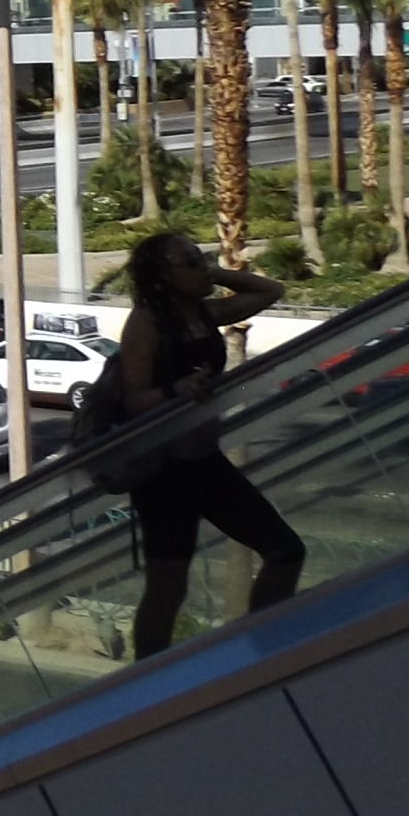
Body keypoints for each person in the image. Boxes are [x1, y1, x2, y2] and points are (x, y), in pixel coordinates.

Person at [118, 233, 305, 660]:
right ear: (162, 277)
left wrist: (209, 273)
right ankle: (147, 680)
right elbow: (133, 398)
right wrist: (176, 390)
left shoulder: (203, 315)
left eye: (199, 257)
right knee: (168, 588)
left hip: (206, 463)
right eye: (189, 262)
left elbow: (270, 291)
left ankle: (261, 651)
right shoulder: (146, 323)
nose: (201, 266)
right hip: (164, 475)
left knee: (285, 551)